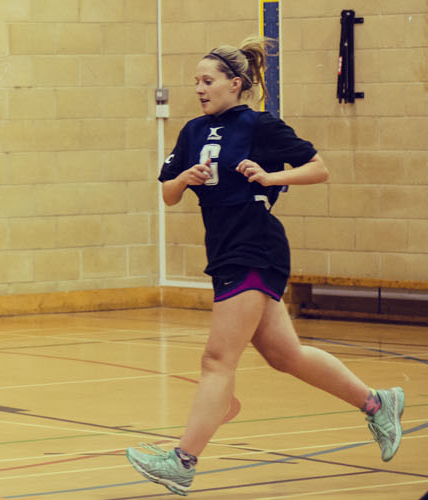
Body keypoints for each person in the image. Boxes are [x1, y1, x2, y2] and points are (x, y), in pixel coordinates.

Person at [124, 37, 404, 496]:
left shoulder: (258, 125)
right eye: (195, 81)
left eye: (207, 80)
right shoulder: (193, 131)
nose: (199, 88)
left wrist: (272, 177)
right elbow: (168, 194)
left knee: (217, 360)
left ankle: (183, 461)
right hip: (226, 249)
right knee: (284, 356)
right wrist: (183, 178)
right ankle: (377, 403)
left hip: (255, 245)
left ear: (235, 84)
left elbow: (318, 168)